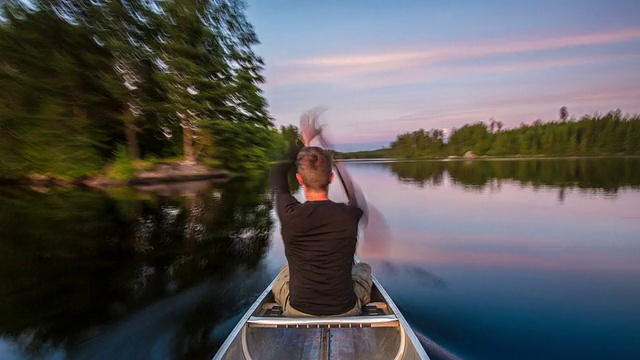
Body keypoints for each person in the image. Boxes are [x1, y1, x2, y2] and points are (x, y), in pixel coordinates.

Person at [269, 121, 372, 317]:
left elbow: (278, 173)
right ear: (331, 178)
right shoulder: (350, 214)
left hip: (297, 310)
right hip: (346, 309)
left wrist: (302, 142)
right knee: (363, 269)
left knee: (284, 273)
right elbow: (355, 195)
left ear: (299, 179)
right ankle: (364, 299)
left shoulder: (289, 213)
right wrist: (336, 163)